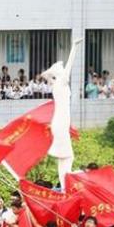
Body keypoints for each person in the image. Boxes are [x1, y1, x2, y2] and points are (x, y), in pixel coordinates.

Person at [40, 38, 82, 190]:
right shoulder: (61, 82)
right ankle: (65, 186)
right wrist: (74, 47)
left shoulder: (55, 84)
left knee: (64, 157)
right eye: (62, 70)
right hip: (61, 121)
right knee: (67, 156)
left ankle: (65, 185)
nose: (65, 71)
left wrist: (50, 73)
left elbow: (45, 75)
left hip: (59, 121)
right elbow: (69, 66)